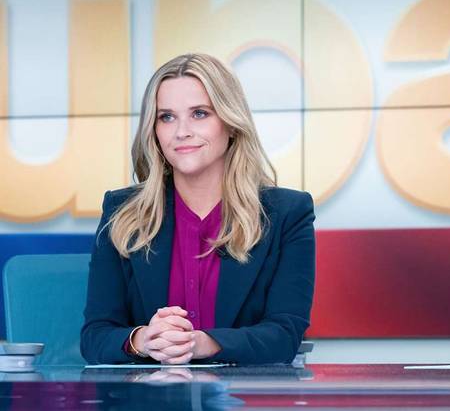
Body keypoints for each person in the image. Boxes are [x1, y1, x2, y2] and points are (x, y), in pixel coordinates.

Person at [81, 53, 315, 365]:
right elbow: (95, 336)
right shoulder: (122, 211)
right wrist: (142, 340)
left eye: (200, 114)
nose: (181, 131)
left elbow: (284, 335)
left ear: (231, 124)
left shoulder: (287, 214)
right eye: (166, 117)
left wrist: (203, 344)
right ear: (154, 130)